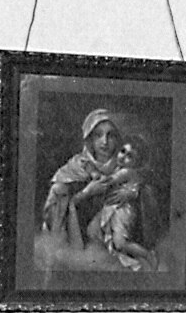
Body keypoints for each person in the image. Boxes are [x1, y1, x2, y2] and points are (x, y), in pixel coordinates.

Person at [39, 109, 153, 264]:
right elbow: (56, 201)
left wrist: (133, 191)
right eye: (98, 135)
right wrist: (86, 192)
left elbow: (139, 183)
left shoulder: (122, 165)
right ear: (89, 139)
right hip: (78, 244)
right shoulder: (77, 166)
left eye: (110, 135)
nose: (104, 142)